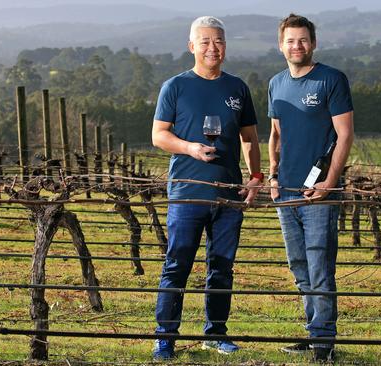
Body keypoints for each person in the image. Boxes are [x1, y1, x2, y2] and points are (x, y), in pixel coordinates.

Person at [151, 15, 262, 360]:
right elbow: (158, 136)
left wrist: (256, 177)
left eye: (219, 42)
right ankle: (165, 338)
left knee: (222, 266)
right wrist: (190, 148)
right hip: (187, 192)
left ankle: (215, 334)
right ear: (191, 47)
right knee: (177, 265)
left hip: (228, 194)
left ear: (225, 46)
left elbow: (249, 138)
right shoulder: (175, 86)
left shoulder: (237, 88)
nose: (213, 48)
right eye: (205, 42)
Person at [267, 13, 354, 362]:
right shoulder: (276, 83)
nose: (297, 46)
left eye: (303, 39)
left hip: (319, 193)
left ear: (313, 43)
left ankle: (324, 343)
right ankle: (312, 331)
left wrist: (329, 182)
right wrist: (272, 177)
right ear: (281, 45)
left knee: (320, 266)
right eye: (290, 40)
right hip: (286, 192)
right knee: (299, 265)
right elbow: (275, 134)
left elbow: (345, 134)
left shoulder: (331, 79)